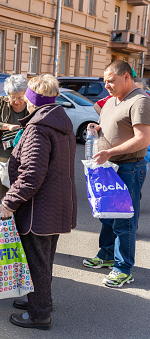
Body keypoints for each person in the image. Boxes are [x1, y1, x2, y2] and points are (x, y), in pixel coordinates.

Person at [0, 74, 77, 330]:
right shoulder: (60, 121)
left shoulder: (38, 128)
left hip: (38, 210)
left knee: (37, 262)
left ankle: (39, 314)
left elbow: (31, 175)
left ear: (33, 101)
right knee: (43, 260)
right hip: (56, 206)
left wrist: (9, 202)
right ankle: (39, 301)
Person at [82, 60, 150, 288]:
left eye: (110, 81)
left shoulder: (140, 101)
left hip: (129, 168)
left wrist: (109, 151)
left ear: (126, 77)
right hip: (110, 168)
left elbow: (142, 138)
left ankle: (123, 269)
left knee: (124, 220)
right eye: (105, 81)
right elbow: (114, 126)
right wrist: (97, 128)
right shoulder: (112, 101)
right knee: (108, 215)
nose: (107, 85)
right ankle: (107, 255)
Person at [0, 74, 29, 212]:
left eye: (20, 97)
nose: (16, 101)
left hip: (18, 162)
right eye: (12, 97)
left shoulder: (31, 108)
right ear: (7, 94)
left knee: (14, 203)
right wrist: (7, 127)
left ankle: (10, 232)